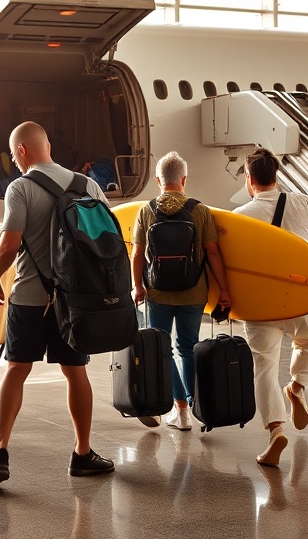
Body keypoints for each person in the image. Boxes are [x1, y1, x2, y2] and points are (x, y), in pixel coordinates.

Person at [0, 121, 115, 486]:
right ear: (47, 144)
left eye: (12, 154)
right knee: (75, 372)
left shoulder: (20, 188)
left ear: (21, 151)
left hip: (29, 299)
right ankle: (83, 453)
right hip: (75, 302)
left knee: (16, 369)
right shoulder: (89, 185)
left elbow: (8, 246)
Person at [233, 147, 308, 466]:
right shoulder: (300, 201)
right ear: (276, 176)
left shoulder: (242, 215)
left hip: (260, 301)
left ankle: (276, 429)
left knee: (263, 367)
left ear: (250, 179)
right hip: (300, 292)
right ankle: (298, 385)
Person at [131, 151, 231, 430]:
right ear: (184, 179)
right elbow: (212, 252)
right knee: (187, 348)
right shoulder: (200, 211)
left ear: (158, 180)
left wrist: (137, 287)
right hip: (193, 292)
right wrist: (224, 289)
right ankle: (195, 404)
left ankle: (181, 411)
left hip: (158, 293)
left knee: (162, 349)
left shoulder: (146, 210)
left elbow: (137, 254)